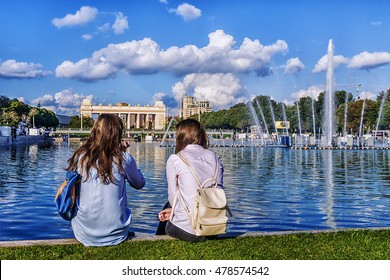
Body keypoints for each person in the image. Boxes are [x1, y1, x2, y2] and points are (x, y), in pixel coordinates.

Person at [66, 114, 145, 246]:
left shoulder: (81, 157)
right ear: (118, 133)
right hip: (117, 233)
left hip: (83, 232)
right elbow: (139, 184)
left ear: (95, 130)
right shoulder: (123, 158)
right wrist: (125, 155)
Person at [156, 119, 224, 242]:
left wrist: (173, 212)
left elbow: (173, 198)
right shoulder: (216, 158)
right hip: (214, 228)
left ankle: (157, 241)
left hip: (190, 230)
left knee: (167, 206)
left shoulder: (176, 159)